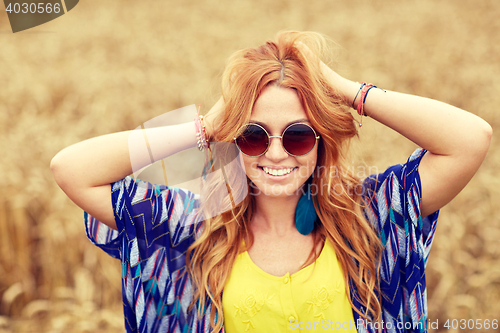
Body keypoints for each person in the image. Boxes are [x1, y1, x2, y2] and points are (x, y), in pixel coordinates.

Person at [50, 31, 492, 333]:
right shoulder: (194, 225)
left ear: (321, 142)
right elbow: (72, 169)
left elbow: (471, 139)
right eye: (252, 135)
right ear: (233, 141)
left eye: (298, 135)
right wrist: (205, 126)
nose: (276, 153)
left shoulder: (372, 216)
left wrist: (344, 89)